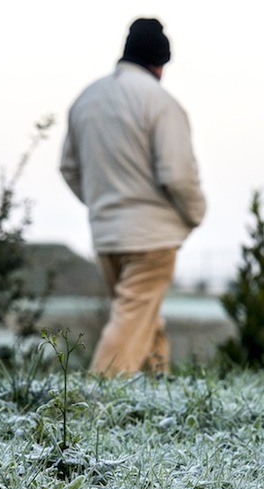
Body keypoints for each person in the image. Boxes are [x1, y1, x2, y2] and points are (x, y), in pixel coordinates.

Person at [60, 17, 206, 376]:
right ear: (159, 65)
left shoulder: (86, 99)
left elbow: (68, 168)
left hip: (106, 236)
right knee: (131, 324)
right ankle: (93, 403)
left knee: (140, 318)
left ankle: (160, 390)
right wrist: (195, 213)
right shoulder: (159, 102)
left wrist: (101, 202)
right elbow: (177, 174)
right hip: (151, 238)